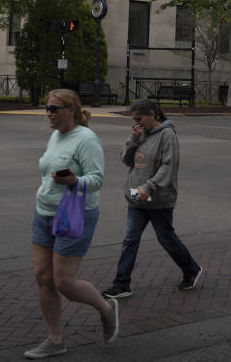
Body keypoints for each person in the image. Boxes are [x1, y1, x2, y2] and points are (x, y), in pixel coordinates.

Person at [26, 88, 120, 359]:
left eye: (54, 109)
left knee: (64, 283)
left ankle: (106, 309)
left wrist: (74, 181)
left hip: (74, 212)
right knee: (43, 277)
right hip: (43, 211)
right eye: (47, 108)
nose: (49, 114)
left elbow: (97, 179)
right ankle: (55, 340)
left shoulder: (87, 140)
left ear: (71, 110)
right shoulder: (55, 135)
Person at [102, 98, 202, 299]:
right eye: (134, 120)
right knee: (130, 239)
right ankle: (122, 283)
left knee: (166, 238)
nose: (137, 123)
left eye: (140, 119)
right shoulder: (141, 134)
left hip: (158, 200)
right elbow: (125, 159)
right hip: (136, 199)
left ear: (152, 115)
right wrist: (133, 140)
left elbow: (168, 165)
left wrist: (149, 186)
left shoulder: (167, 134)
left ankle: (191, 269)